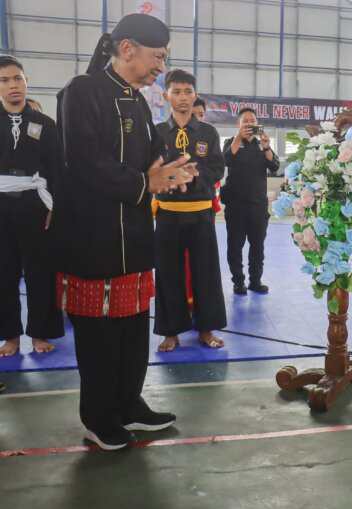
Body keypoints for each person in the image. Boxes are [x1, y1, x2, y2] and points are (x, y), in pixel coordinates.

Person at [54, 14, 197, 450]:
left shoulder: (137, 101)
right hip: (92, 238)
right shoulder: (81, 92)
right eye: (158, 57)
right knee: (98, 337)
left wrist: (170, 170)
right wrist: (145, 183)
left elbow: (151, 157)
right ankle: (98, 417)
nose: (161, 67)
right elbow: (84, 162)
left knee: (134, 330)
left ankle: (130, 404)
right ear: (129, 48)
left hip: (133, 237)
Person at [153, 69, 226, 352]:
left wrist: (195, 175)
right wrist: (172, 176)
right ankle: (170, 331)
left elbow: (218, 168)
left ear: (195, 95)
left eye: (187, 92)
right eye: (177, 92)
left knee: (205, 271)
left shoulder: (208, 132)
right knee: (168, 272)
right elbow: (151, 169)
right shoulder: (157, 133)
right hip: (168, 212)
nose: (182, 98)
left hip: (200, 212)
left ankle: (206, 329)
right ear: (165, 96)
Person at [0, 55, 64, 357]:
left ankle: (40, 332)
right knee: (4, 273)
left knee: (40, 272)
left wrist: (55, 207)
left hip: (36, 204)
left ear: (26, 81)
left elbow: (57, 170)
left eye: (17, 78)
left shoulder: (45, 124)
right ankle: (9, 336)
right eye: (4, 80)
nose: (13, 85)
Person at [221, 107, 280, 295]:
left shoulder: (262, 145)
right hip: (235, 206)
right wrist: (239, 137)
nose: (248, 123)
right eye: (245, 121)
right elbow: (227, 159)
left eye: (252, 120)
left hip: (257, 206)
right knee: (235, 246)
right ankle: (238, 282)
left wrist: (267, 146)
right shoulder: (231, 142)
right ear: (238, 125)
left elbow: (274, 166)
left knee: (257, 246)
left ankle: (255, 281)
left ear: (257, 124)